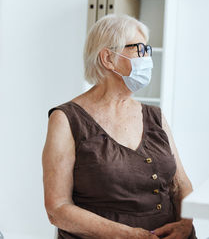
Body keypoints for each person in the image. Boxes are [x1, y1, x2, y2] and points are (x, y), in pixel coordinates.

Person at [42, 14, 196, 239]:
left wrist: (185, 224)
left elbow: (181, 183)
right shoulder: (65, 119)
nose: (146, 58)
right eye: (139, 49)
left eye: (147, 50)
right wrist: (128, 235)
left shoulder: (155, 116)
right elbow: (57, 209)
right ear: (108, 58)